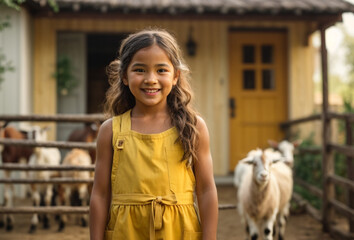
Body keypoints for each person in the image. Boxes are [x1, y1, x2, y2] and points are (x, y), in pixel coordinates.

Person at [89, 28, 218, 240]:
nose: (150, 79)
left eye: (161, 70)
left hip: (179, 232)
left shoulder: (193, 127)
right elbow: (100, 195)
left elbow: (206, 191)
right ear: (124, 76)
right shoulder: (110, 131)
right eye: (139, 70)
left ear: (175, 76)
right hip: (126, 233)